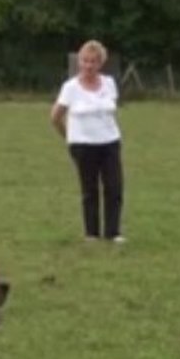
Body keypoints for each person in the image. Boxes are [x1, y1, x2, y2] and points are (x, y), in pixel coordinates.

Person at [51, 39, 125, 243]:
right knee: (89, 189)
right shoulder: (70, 87)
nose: (88, 66)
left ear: (100, 63)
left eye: (93, 61)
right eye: (85, 61)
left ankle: (113, 232)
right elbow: (55, 117)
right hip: (83, 145)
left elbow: (110, 110)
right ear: (79, 62)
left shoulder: (109, 83)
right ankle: (91, 233)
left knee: (114, 187)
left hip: (110, 141)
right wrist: (69, 137)